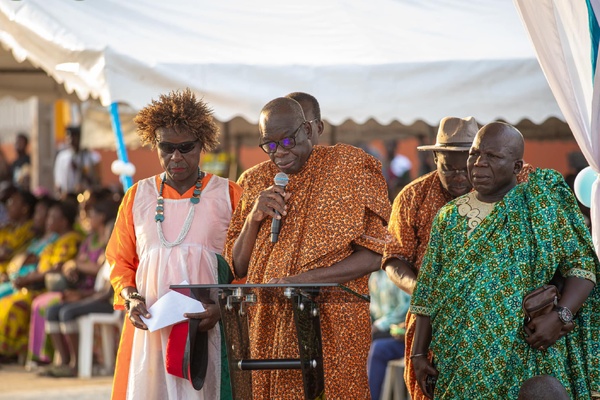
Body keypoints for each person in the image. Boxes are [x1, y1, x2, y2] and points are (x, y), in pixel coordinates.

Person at [410, 122, 600, 398]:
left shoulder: (541, 207)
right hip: (459, 360)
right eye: (475, 153)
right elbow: (428, 290)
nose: (478, 163)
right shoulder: (448, 217)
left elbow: (582, 267)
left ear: (516, 166)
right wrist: (418, 352)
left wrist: (561, 317)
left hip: (525, 354)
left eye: (493, 156)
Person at [224, 97, 391, 398]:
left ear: (309, 130)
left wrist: (302, 281)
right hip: (267, 325)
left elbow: (376, 254)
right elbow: (237, 267)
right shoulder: (253, 181)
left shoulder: (348, 168)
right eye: (270, 145)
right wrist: (253, 218)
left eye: (288, 139)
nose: (281, 152)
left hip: (332, 324)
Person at [382, 116, 534, 400]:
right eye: (448, 168)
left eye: (469, 164)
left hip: (506, 321)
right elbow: (393, 258)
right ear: (434, 159)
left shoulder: (520, 188)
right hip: (432, 323)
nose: (461, 176)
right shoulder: (412, 198)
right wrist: (429, 292)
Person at [106, 88, 242, 400]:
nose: (176, 157)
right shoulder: (136, 197)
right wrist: (131, 299)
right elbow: (120, 262)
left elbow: (248, 265)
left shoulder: (229, 194)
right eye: (167, 147)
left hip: (209, 327)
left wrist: (221, 308)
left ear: (202, 145)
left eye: (185, 147)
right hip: (152, 330)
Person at [0, 199, 81, 363]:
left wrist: (30, 278)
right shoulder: (54, 240)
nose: (48, 221)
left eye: (52, 217)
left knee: (13, 304)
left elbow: (57, 268)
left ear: (64, 222)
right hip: (35, 285)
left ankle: (12, 352)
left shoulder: (70, 240)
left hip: (47, 288)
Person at [367, 269, 410, 400]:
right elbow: (373, 310)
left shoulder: (399, 272)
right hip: (384, 331)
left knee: (378, 348)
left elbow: (406, 307)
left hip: (403, 333)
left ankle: (371, 397)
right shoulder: (374, 276)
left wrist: (379, 325)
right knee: (360, 341)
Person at [53, 126, 102, 199]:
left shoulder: (91, 157)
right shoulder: (62, 157)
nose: (71, 140)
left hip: (85, 196)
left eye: (74, 137)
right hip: (67, 196)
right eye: (68, 137)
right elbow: (58, 180)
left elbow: (96, 180)